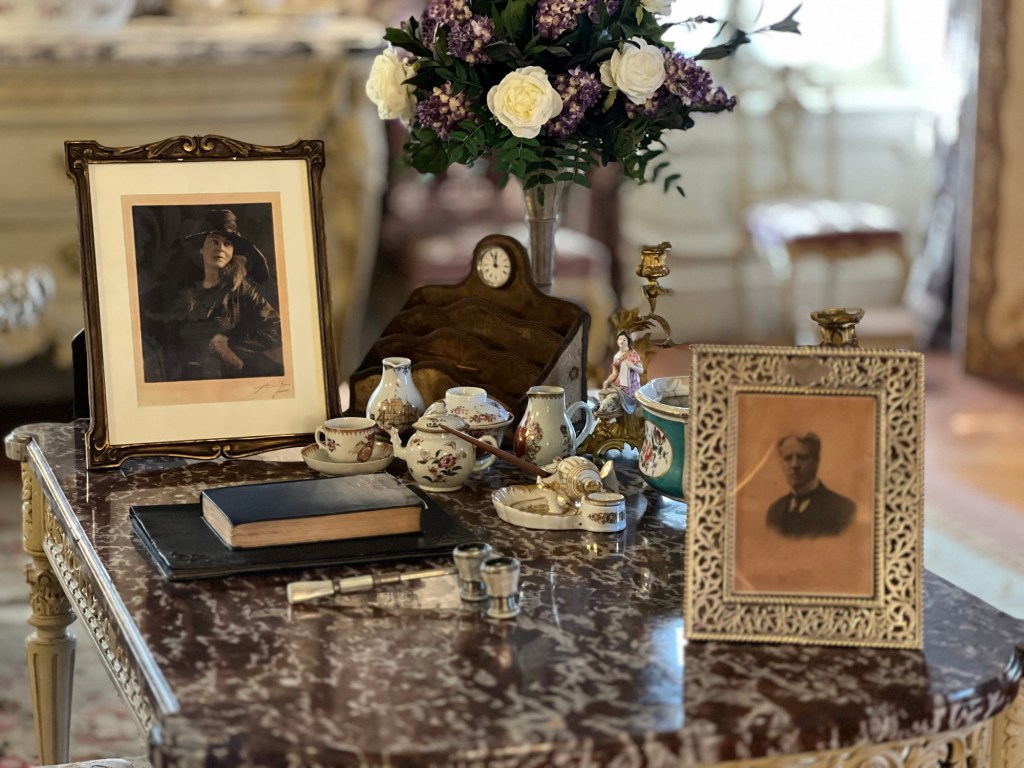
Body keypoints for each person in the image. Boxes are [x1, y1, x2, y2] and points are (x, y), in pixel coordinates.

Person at [162, 209, 283, 381]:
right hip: (185, 375)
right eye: (214, 241)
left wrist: (230, 348)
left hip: (229, 376)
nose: (220, 248)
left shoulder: (243, 290)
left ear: (233, 252)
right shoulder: (181, 287)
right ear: (201, 248)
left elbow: (275, 327)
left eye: (227, 244)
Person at [765, 432, 855, 538]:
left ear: (816, 461)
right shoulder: (774, 512)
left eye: (802, 457)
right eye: (788, 458)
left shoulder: (843, 510)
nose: (794, 465)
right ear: (781, 462)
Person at [595, 332, 644, 417]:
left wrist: (632, 366)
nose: (622, 341)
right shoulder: (616, 356)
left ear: (628, 342)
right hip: (618, 385)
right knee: (601, 393)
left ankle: (605, 412)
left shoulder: (633, 354)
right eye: (620, 339)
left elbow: (641, 371)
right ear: (617, 341)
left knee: (610, 399)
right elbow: (615, 373)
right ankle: (605, 413)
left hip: (630, 387)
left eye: (624, 340)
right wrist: (607, 381)